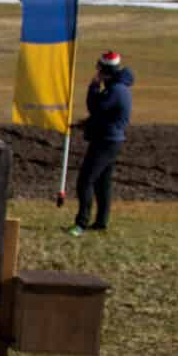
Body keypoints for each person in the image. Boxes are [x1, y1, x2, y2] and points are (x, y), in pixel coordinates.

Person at [71, 50, 132, 235]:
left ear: (104, 69)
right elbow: (104, 115)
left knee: (85, 182)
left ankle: (81, 224)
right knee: (102, 183)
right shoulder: (118, 87)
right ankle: (101, 223)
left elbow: (95, 108)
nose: (96, 71)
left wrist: (93, 87)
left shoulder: (115, 90)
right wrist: (85, 124)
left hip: (105, 142)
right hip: (110, 140)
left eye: (98, 67)